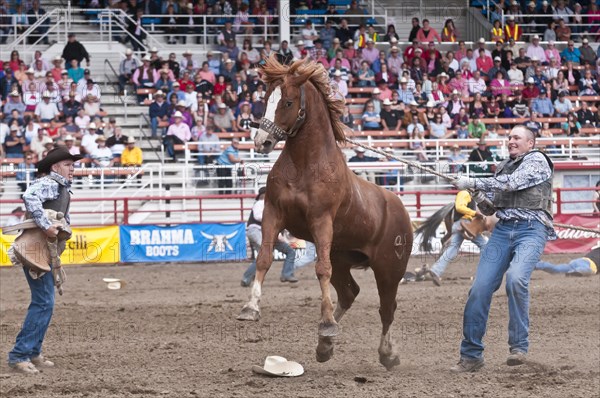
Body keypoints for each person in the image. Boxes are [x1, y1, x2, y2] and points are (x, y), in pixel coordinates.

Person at [451, 125, 555, 372]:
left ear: (530, 143)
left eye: (516, 137)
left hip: (531, 230)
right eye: (509, 137)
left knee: (516, 280)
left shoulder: (537, 160)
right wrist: (475, 193)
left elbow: (512, 184)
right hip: (503, 231)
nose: (510, 141)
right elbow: (489, 209)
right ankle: (471, 356)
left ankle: (519, 347)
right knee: (479, 288)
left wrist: (473, 180)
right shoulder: (503, 167)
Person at [7, 146, 82, 374]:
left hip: (42, 250)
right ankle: (20, 355)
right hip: (37, 250)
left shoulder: (60, 188)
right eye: (69, 165)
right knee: (43, 302)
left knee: (45, 302)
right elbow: (29, 196)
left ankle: (32, 352)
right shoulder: (51, 183)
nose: (73, 169)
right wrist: (46, 225)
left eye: (73, 165)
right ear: (55, 166)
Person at [417, 190, 488, 286]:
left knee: (452, 249)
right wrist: (474, 213)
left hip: (461, 224)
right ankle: (485, 274)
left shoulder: (468, 196)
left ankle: (436, 270)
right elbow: (459, 207)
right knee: (484, 245)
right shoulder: (464, 193)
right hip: (465, 224)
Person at [241, 187, 299, 287]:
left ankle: (287, 274)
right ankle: (247, 277)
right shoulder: (260, 203)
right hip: (257, 231)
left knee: (289, 251)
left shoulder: (269, 206)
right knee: (265, 255)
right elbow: (259, 217)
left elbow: (274, 224)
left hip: (268, 234)